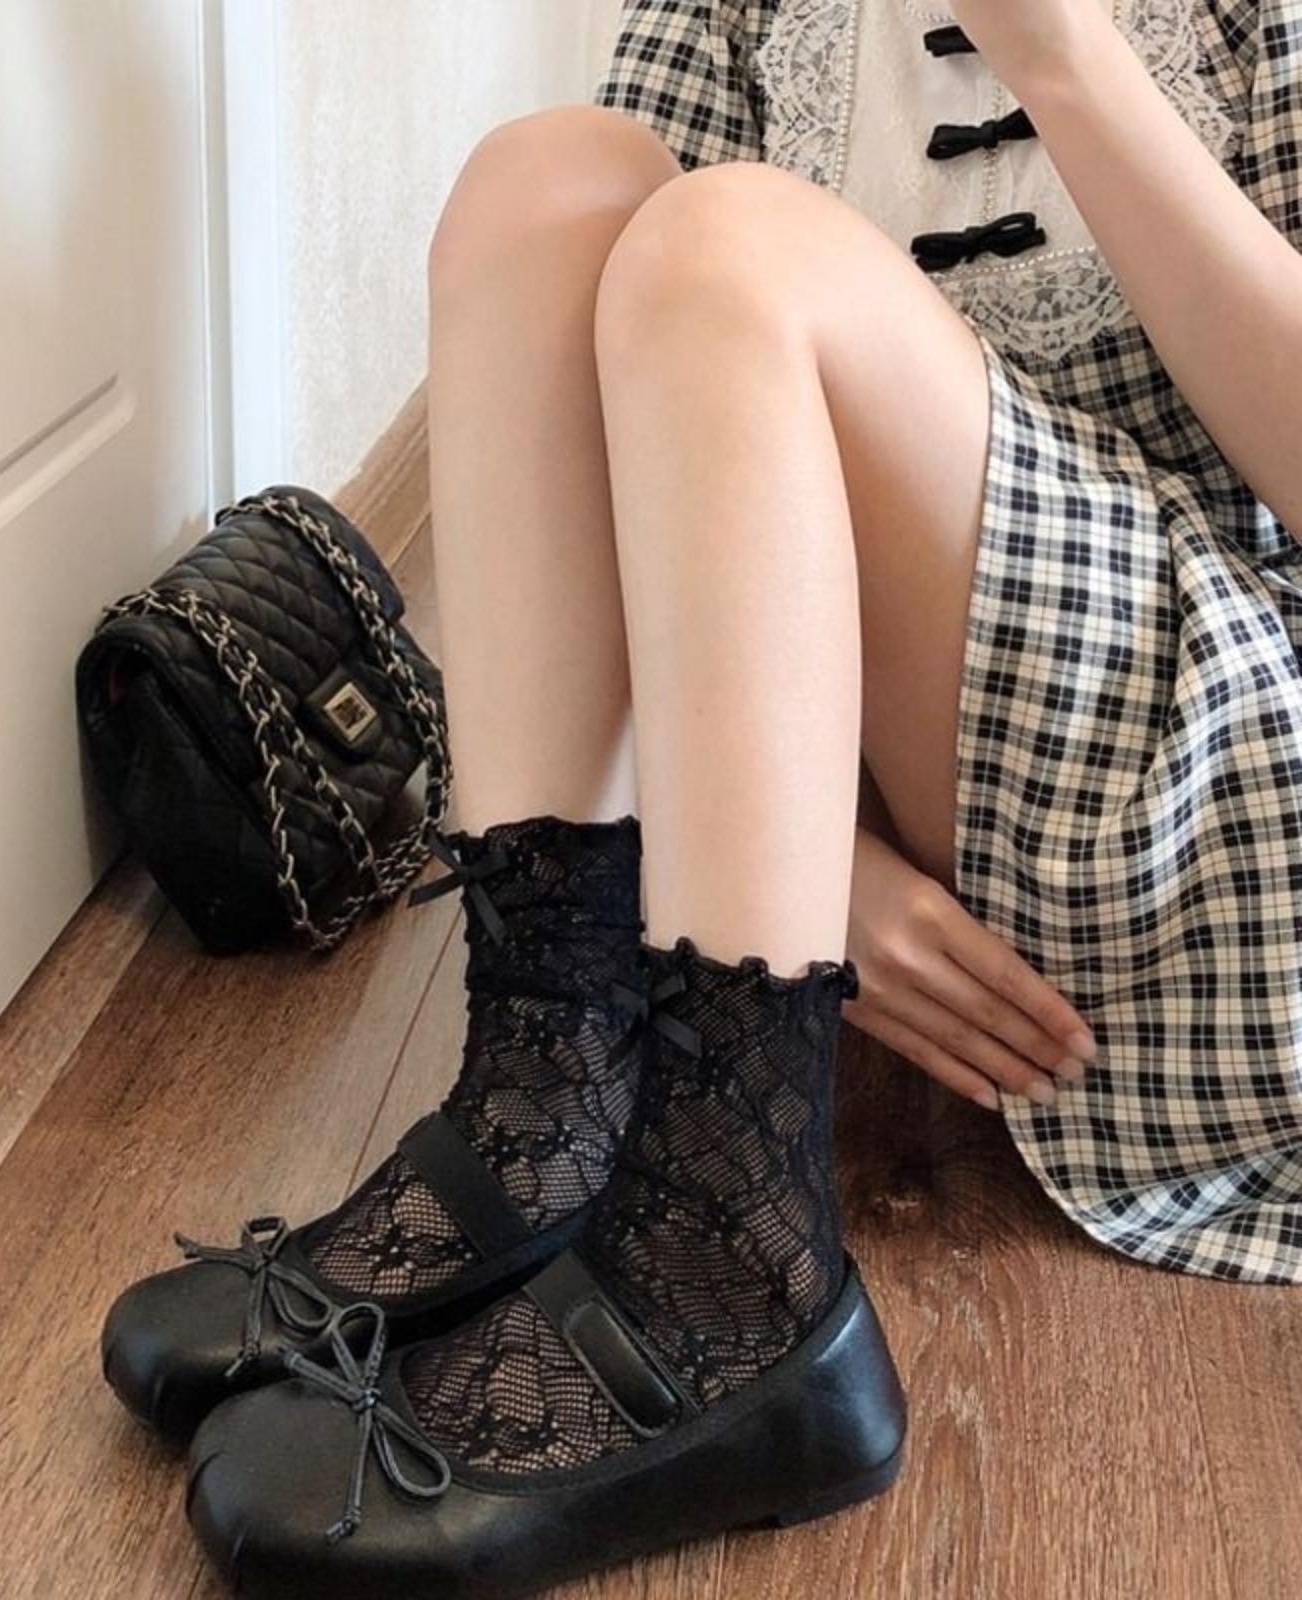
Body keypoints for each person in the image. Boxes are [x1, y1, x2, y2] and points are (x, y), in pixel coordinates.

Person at [112, 4, 1302, 1593]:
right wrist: (827, 863)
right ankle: (548, 1105)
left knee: (729, 243)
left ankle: (739, 1273)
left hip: (1205, 781)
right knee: (553, 184)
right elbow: (598, 406)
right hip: (831, 809)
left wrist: (1064, 54)